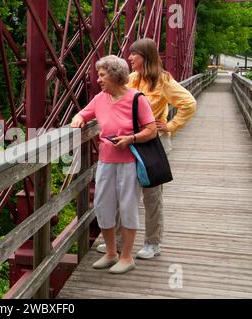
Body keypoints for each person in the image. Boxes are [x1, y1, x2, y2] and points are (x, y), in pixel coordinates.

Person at [97, 38, 197, 259]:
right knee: (126, 193)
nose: (129, 57)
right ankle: (120, 241)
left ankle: (153, 243)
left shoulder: (164, 81)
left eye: (134, 54)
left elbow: (189, 103)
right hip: (130, 142)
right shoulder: (131, 79)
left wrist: (170, 125)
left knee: (152, 195)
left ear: (146, 57)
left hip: (153, 143)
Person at [71, 55, 157, 274]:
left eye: (102, 75)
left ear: (116, 75)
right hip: (106, 161)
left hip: (129, 161)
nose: (98, 79)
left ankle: (126, 257)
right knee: (103, 206)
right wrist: (79, 118)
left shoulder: (137, 98)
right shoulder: (100, 99)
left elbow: (151, 129)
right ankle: (111, 253)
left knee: (127, 208)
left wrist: (131, 139)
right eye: (98, 75)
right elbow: (83, 112)